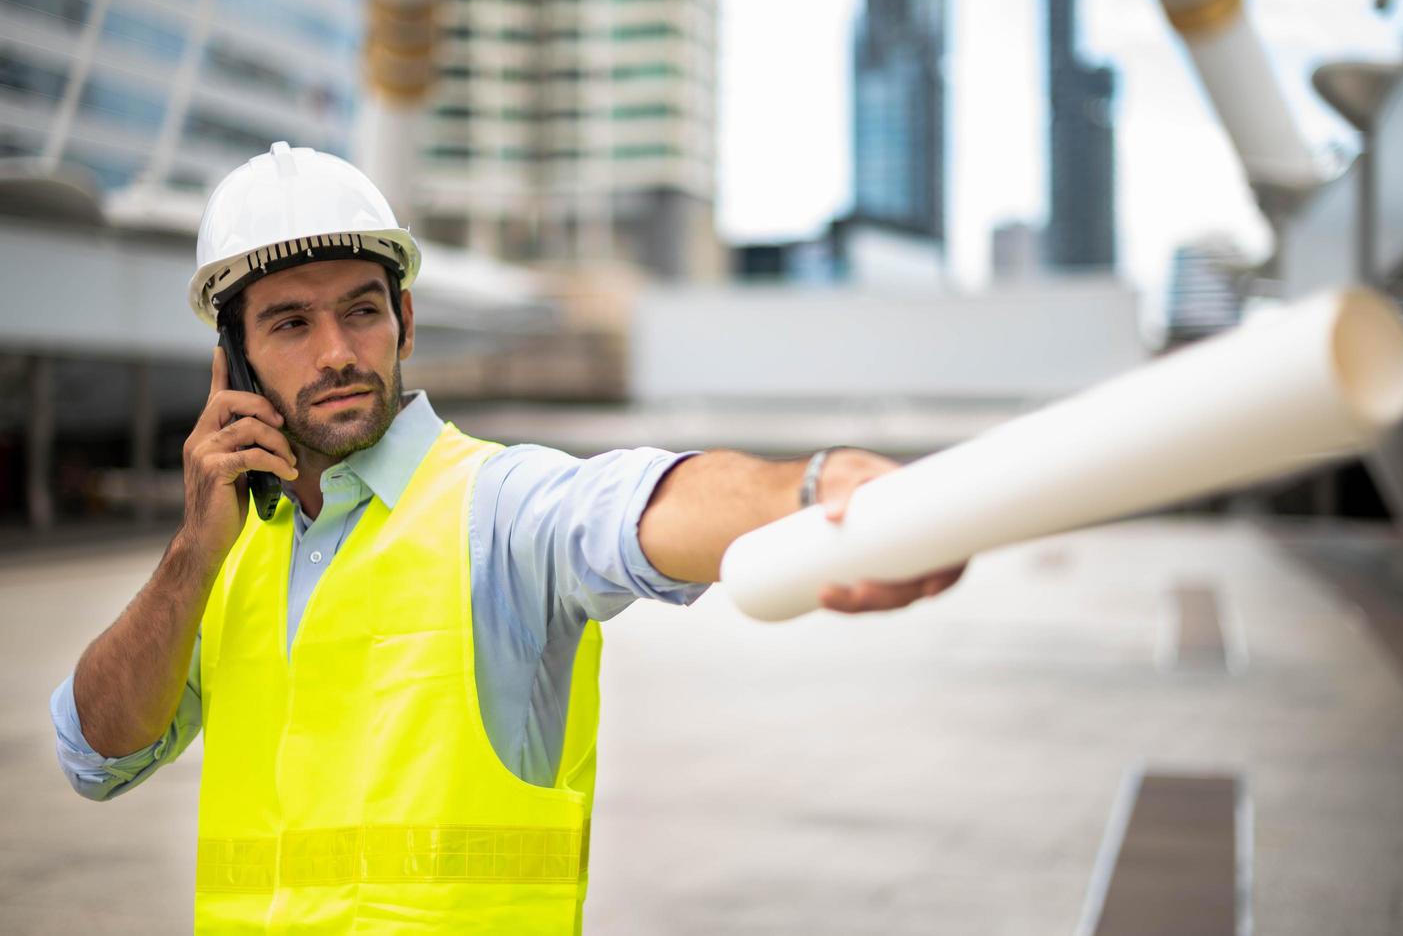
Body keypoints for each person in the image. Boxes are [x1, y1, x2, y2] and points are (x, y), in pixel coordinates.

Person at [50, 142, 964, 933]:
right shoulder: (225, 559)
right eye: (290, 322)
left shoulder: (497, 505)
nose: (336, 350)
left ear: (403, 320)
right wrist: (189, 553)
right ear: (234, 361)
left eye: (361, 310)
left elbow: (633, 506)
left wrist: (808, 493)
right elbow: (95, 756)